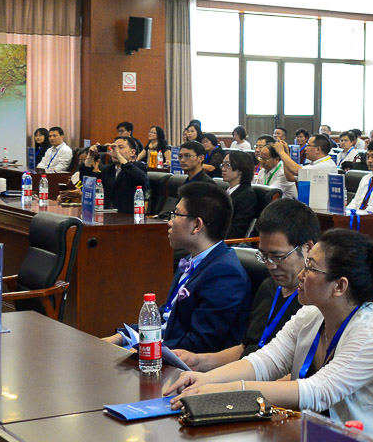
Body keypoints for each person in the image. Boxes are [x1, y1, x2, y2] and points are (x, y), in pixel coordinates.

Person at [166, 230, 373, 442]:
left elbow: (317, 392)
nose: (301, 274)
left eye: (311, 267)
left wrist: (229, 390)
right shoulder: (311, 314)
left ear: (340, 286)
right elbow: (265, 361)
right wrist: (206, 379)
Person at [174, 199, 319, 371]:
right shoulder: (269, 287)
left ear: (308, 248)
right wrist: (198, 361)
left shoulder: (316, 303)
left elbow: (299, 375)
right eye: (264, 256)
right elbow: (244, 349)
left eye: (278, 257)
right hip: (243, 375)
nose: (270, 265)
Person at [106, 181, 250, 354]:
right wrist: (122, 337)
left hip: (177, 362)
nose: (169, 222)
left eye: (175, 214)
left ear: (196, 225)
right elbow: (165, 318)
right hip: (160, 349)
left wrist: (141, 351)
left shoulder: (225, 274)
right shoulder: (191, 260)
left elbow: (200, 343)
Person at [220, 150, 259, 240]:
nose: (223, 169)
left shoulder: (247, 196)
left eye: (228, 165)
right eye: (222, 165)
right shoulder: (225, 191)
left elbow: (237, 230)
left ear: (241, 169)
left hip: (226, 242)